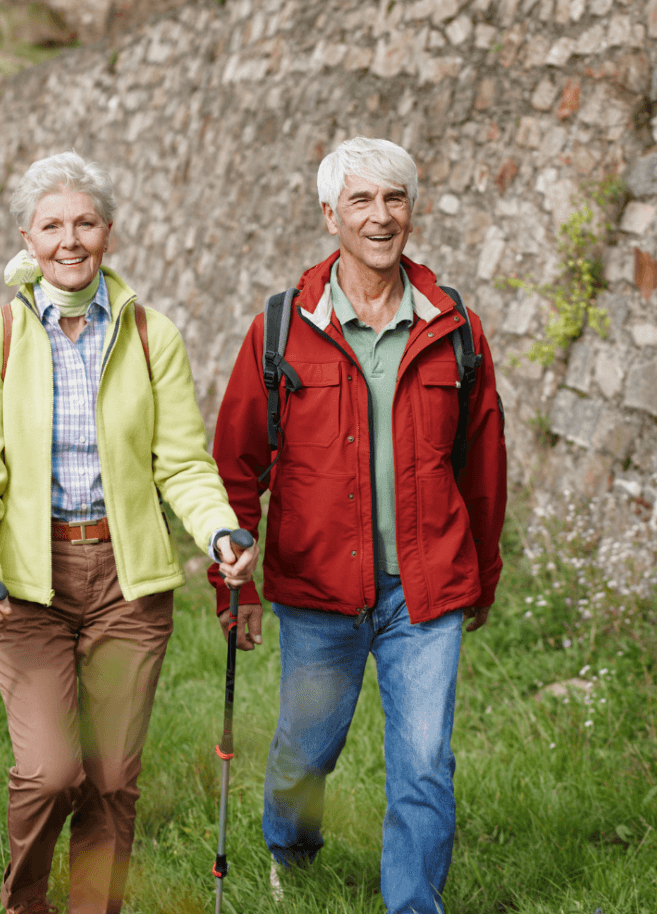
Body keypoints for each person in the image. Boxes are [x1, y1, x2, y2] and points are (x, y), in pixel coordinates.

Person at [0, 151, 258, 914]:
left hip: (128, 583)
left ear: (109, 233)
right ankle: (24, 904)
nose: (69, 239)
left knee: (113, 778)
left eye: (84, 222)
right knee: (52, 772)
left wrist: (219, 532)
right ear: (28, 236)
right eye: (52, 225)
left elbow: (182, 462)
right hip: (27, 586)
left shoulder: (153, 336)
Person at [208, 136, 507, 914]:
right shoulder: (281, 328)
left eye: (395, 199)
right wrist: (229, 586)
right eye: (363, 201)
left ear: (413, 210)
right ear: (329, 214)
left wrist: (485, 574)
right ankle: (290, 852)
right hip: (318, 588)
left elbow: (483, 470)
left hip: (426, 588)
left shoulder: (457, 327)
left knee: (424, 765)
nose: (382, 217)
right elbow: (236, 464)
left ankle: (412, 904)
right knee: (305, 754)